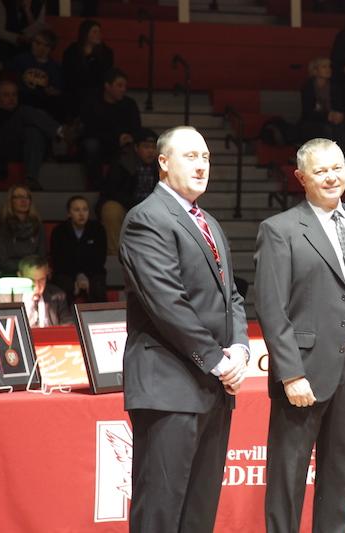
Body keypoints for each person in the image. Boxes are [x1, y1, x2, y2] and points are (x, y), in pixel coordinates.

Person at [119, 126, 249, 531]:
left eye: (206, 157)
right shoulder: (146, 219)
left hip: (212, 387)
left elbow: (234, 297)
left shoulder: (207, 220)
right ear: (163, 162)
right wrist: (216, 360)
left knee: (199, 511)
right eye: (191, 156)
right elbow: (167, 303)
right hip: (169, 388)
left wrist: (241, 349)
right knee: (160, 510)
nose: (201, 165)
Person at [255, 138, 345, 533]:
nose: (331, 177)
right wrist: (290, 374)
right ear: (301, 177)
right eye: (320, 170)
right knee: (287, 476)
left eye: (337, 168)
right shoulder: (280, 229)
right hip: (304, 370)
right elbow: (271, 308)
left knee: (340, 474)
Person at [0, 79, 62, 190]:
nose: (12, 99)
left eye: (14, 95)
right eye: (6, 95)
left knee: (33, 131)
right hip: (0, 150)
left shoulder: (24, 115)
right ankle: (61, 131)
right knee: (27, 112)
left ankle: (30, 178)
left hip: (23, 150)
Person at [99, 127, 159, 255]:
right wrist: (136, 204)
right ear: (136, 148)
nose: (150, 151)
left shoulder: (162, 165)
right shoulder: (122, 163)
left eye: (153, 147)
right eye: (146, 147)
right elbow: (112, 191)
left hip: (152, 208)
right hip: (127, 205)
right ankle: (114, 254)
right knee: (111, 209)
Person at [79, 67, 141, 186]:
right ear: (107, 86)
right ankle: (95, 185)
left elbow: (136, 128)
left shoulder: (129, 104)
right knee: (91, 145)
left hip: (122, 144)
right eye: (119, 85)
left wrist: (129, 137)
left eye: (124, 86)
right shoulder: (93, 103)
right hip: (101, 142)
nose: (123, 89)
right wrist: (116, 138)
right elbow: (89, 130)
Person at [50, 195, 107, 304]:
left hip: (92, 272)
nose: (81, 214)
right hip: (66, 273)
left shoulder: (98, 229)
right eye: (76, 210)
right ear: (69, 213)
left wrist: (85, 277)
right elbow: (59, 260)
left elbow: (100, 259)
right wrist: (77, 276)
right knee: (64, 285)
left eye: (85, 209)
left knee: (98, 286)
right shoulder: (59, 231)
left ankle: (100, 319)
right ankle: (66, 319)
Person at [8, 28, 64, 120]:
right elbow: (7, 71)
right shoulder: (22, 59)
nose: (38, 47)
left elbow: (58, 89)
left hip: (42, 100)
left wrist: (53, 91)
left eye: (45, 45)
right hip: (23, 97)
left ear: (50, 49)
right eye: (36, 42)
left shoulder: (54, 67)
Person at [61, 19, 114, 115]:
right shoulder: (72, 51)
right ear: (85, 33)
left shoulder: (106, 53)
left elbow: (106, 75)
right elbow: (67, 73)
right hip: (75, 91)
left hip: (96, 92)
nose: (99, 34)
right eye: (94, 32)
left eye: (99, 32)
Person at [298, 57, 345, 151]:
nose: (328, 69)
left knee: (340, 125)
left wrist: (337, 115)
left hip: (333, 120)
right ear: (315, 70)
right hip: (313, 121)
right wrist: (327, 116)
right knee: (326, 129)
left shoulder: (335, 87)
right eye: (324, 67)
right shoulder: (308, 87)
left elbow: (340, 106)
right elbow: (307, 112)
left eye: (329, 67)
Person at [0, 183, 45, 275]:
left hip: (34, 272)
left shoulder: (38, 224)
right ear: (11, 201)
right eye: (19, 197)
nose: (23, 200)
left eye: (27, 197)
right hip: (9, 272)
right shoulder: (0, 226)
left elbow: (41, 255)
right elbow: (2, 260)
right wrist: (26, 269)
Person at [12, 254, 72, 326]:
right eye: (31, 280)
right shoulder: (7, 298)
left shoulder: (58, 296)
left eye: (42, 280)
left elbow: (68, 325)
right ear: (20, 276)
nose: (37, 286)